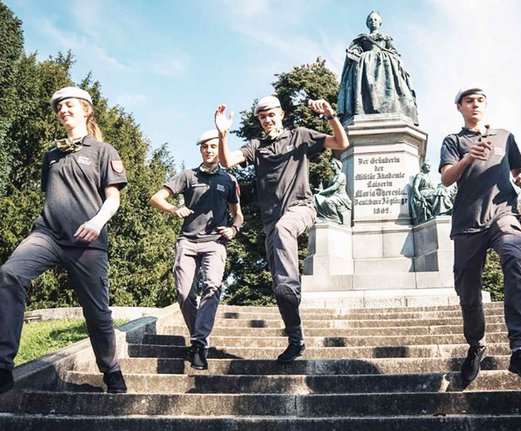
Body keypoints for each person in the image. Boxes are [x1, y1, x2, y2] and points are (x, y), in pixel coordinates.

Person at [0, 87, 128, 394]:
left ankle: (110, 370)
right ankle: (3, 366)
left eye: (69, 105)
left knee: (96, 311)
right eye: (59, 107)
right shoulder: (52, 155)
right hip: (47, 234)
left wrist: (96, 223)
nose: (63, 110)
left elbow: (113, 199)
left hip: (87, 241)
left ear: (86, 110)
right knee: (9, 274)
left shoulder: (103, 151)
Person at [214, 96, 349, 363]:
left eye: (272, 115)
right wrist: (222, 135)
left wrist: (331, 115)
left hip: (301, 209)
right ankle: (296, 339)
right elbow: (227, 161)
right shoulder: (257, 146)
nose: (268, 120)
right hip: (272, 225)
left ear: (281, 114)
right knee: (279, 288)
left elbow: (342, 143)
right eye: (263, 117)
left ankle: (291, 284)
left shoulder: (299, 136)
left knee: (285, 233)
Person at [439, 86, 521, 383]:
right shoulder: (453, 140)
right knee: (468, 294)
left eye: (480, 100)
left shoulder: (504, 136)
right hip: (467, 223)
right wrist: (468, 157)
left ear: (486, 105)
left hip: (503, 213)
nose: (475, 105)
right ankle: (477, 345)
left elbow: (519, 169)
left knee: (514, 251)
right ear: (459, 107)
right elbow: (447, 178)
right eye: (469, 101)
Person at [149, 130, 242, 370]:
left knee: (212, 285)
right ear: (200, 150)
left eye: (213, 146)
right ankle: (197, 336)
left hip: (214, 242)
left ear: (218, 149)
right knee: (184, 293)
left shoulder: (229, 180)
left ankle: (199, 344)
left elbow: (238, 215)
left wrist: (234, 229)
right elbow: (156, 198)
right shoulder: (188, 176)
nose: (209, 150)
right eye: (205, 147)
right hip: (188, 242)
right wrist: (173, 209)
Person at [337, 10, 418, 124]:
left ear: (380, 22)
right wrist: (354, 53)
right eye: (370, 20)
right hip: (365, 64)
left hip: (384, 64)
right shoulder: (362, 38)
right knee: (361, 73)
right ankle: (364, 106)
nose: (373, 22)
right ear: (367, 23)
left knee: (390, 78)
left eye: (375, 19)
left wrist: (390, 56)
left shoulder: (386, 37)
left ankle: (390, 105)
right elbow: (355, 50)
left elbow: (394, 51)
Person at [313, 158, 351, 224]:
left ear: (338, 165)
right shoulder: (333, 177)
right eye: (331, 164)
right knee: (316, 197)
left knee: (329, 201)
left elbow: (334, 187)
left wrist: (322, 192)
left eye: (333, 164)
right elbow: (329, 190)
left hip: (341, 197)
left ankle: (334, 218)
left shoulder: (341, 175)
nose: (331, 165)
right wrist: (321, 190)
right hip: (333, 196)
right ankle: (324, 216)